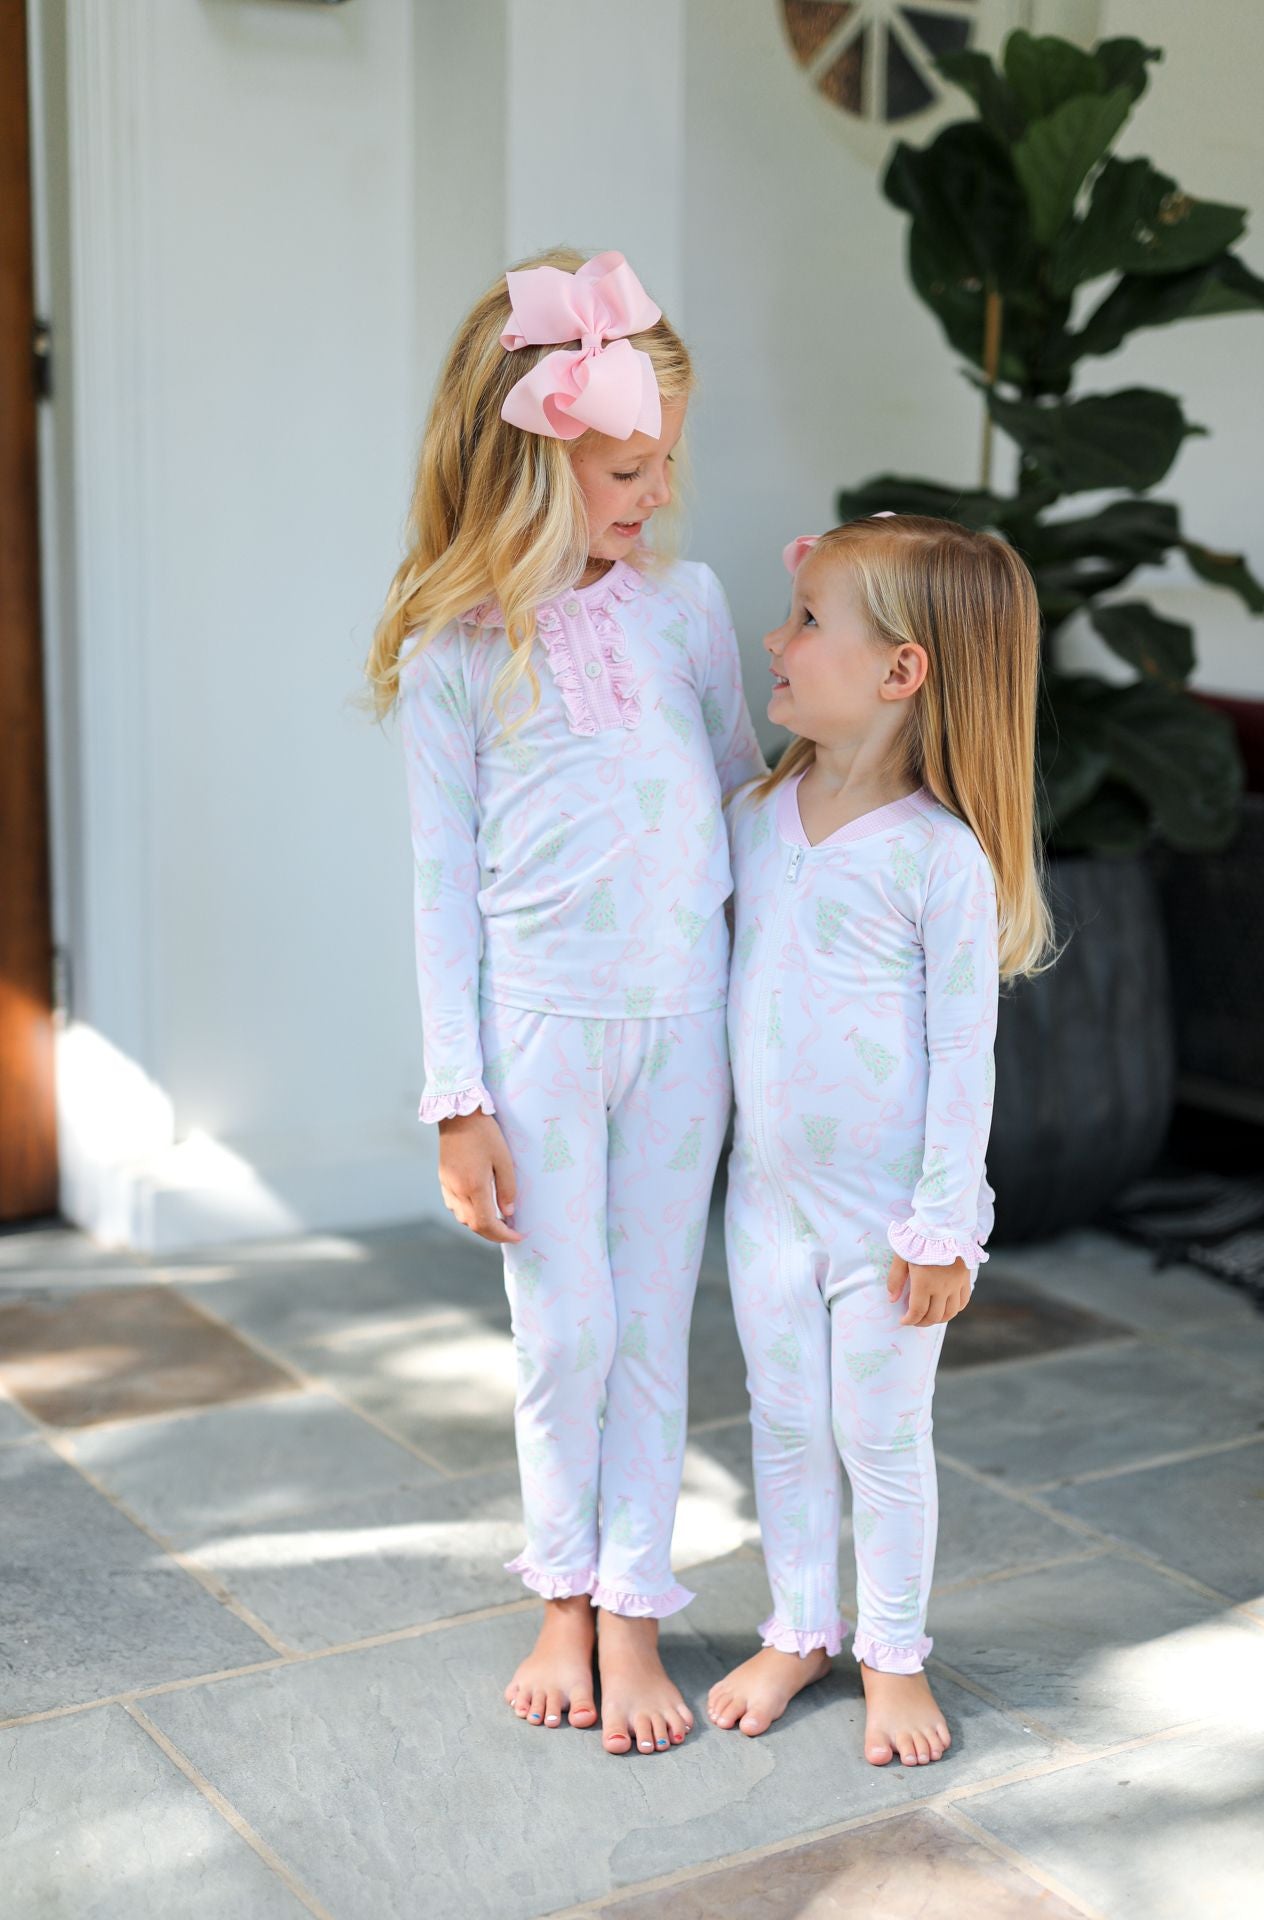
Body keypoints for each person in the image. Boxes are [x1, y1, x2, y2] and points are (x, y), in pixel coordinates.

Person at [367, 249, 763, 1756]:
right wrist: (457, 1098)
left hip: (685, 1031)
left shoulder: (691, 607)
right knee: (566, 1331)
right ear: (532, 464)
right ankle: (559, 1587)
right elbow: (438, 891)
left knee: (656, 1325)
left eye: (666, 463)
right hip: (538, 1033)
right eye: (624, 468)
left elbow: (741, 801)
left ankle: (633, 1609)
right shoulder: (453, 648)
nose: (654, 493)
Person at [709, 515, 1051, 1765]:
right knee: (782, 1422)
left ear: (900, 672)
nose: (773, 637)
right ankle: (800, 1623)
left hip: (881, 1226)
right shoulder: (755, 811)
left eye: (806, 620)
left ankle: (891, 1655)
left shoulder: (935, 860)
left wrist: (941, 1223)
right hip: (764, 1206)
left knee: (879, 1439)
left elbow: (966, 1056)